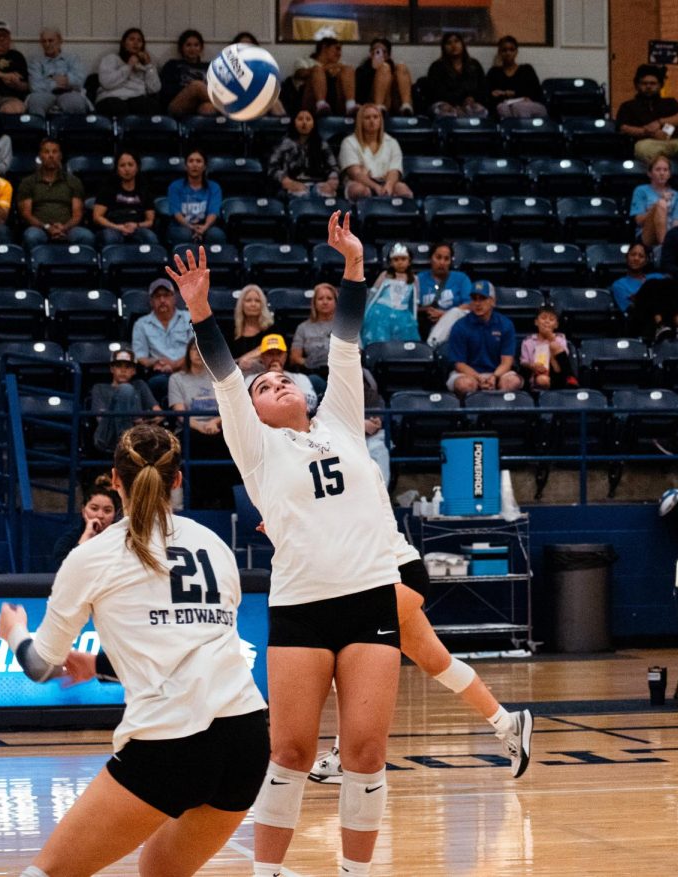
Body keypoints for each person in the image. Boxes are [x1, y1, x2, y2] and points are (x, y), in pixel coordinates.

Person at [167, 214, 402, 877]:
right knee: (291, 750)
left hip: (369, 599)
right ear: (258, 411)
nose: (277, 383)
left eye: (280, 379)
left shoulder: (341, 417)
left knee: (363, 750)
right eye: (263, 387)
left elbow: (347, 338)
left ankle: (355, 873)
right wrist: (199, 312)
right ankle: (266, 872)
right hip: (301, 607)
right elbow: (222, 377)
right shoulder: (258, 447)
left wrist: (354, 264)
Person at [0, 423, 268, 877]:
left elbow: (40, 666)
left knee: (47, 873)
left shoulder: (92, 556)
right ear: (177, 480)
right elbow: (191, 647)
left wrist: (14, 634)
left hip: (170, 743)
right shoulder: (215, 545)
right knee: (162, 870)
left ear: (115, 479)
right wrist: (101, 665)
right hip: (245, 739)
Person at [309, 463, 533, 783]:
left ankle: (346, 757)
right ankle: (507, 723)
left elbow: (342, 522)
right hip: (383, 574)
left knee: (348, 650)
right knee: (437, 661)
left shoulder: (350, 462)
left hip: (389, 574)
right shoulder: (327, 461)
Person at [169, 338, 234, 508]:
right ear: (188, 354)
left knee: (232, 442)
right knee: (192, 443)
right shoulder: (177, 378)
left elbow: (230, 405)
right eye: (194, 349)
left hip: (218, 425)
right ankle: (196, 501)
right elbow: (180, 412)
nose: (198, 353)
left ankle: (223, 501)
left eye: (201, 349)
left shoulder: (219, 376)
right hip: (191, 428)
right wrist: (201, 426)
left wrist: (215, 422)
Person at [615, 64, 678, 165]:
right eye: (644, 83)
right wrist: (648, 132)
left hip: (676, 141)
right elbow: (623, 127)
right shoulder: (628, 106)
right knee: (642, 149)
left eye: (653, 83)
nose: (648, 86)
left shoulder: (670, 102)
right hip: (648, 143)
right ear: (637, 85)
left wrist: (659, 123)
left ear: (660, 85)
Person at [446, 280, 523, 397]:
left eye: (482, 298)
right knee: (464, 384)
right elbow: (459, 364)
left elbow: (507, 362)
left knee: (512, 382)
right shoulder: (459, 326)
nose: (477, 303)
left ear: (492, 301)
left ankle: (501, 412)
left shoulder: (505, 324)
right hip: (467, 373)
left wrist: (494, 377)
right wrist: (478, 377)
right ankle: (469, 415)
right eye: (474, 299)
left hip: (498, 373)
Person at [17, 138, 95, 250]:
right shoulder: (28, 182)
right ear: (40, 156)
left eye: (54, 152)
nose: (51, 155)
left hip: (68, 228)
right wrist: (47, 227)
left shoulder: (73, 181)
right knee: (30, 236)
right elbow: (26, 214)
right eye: (46, 152)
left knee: (86, 236)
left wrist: (63, 228)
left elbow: (77, 214)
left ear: (60, 156)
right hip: (39, 228)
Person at [610, 241, 678, 342]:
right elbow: (630, 308)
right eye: (633, 254)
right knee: (651, 285)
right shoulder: (619, 285)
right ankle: (660, 325)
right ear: (627, 257)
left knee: (674, 283)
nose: (636, 258)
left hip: (668, 315)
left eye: (641, 256)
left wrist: (638, 296)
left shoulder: (657, 276)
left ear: (646, 260)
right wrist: (645, 295)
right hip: (642, 321)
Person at [131, 278, 194, 404]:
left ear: (174, 298)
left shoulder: (189, 318)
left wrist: (175, 365)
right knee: (159, 383)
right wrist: (156, 361)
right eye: (157, 296)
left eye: (166, 295)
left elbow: (197, 347)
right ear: (151, 301)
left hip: (189, 369)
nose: (162, 300)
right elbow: (140, 357)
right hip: (160, 373)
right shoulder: (141, 324)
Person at [91, 348, 161, 453]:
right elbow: (100, 418)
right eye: (119, 366)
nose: (123, 370)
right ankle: (126, 443)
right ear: (112, 369)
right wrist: (134, 418)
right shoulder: (99, 388)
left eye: (128, 367)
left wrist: (145, 421)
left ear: (134, 371)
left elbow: (159, 414)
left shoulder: (140, 385)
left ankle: (128, 441)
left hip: (137, 432)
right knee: (126, 389)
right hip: (107, 435)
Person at [338, 104, 412, 201]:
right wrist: (375, 187)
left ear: (381, 120)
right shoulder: (349, 142)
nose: (372, 121)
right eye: (367, 118)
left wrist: (389, 185)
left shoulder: (392, 142)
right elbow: (355, 174)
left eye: (375, 117)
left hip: (385, 181)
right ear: (360, 121)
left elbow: (394, 171)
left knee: (403, 190)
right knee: (359, 190)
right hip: (360, 182)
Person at [50, 475, 120, 568]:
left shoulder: (122, 541)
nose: (100, 515)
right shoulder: (66, 542)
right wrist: (87, 535)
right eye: (94, 509)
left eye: (107, 510)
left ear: (114, 514)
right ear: (83, 510)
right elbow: (67, 571)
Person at [267, 110, 341, 198]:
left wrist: (332, 181)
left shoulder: (321, 144)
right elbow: (272, 167)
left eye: (308, 119)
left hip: (318, 183)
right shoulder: (284, 143)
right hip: (292, 182)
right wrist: (286, 181)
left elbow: (333, 167)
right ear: (294, 122)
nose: (304, 122)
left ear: (313, 124)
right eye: (300, 119)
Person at [92, 150, 158, 248]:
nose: (127, 169)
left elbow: (150, 220)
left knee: (150, 237)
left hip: (136, 228)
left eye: (130, 165)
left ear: (137, 167)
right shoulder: (108, 189)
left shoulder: (144, 190)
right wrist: (118, 227)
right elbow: (97, 217)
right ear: (117, 169)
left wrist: (137, 225)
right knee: (110, 238)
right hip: (113, 227)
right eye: (122, 165)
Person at [361, 244, 419, 349]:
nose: (400, 262)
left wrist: (414, 319)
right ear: (390, 262)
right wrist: (366, 313)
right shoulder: (385, 275)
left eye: (403, 259)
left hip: (403, 315)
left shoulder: (414, 279)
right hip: (381, 313)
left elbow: (414, 302)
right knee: (380, 339)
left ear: (409, 261)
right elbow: (373, 295)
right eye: (396, 260)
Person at [166, 148, 226, 248]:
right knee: (184, 235)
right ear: (185, 166)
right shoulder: (175, 186)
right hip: (180, 226)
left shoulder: (214, 187)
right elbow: (176, 213)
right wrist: (191, 227)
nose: (194, 165)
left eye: (198, 161)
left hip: (206, 225)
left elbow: (213, 212)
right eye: (191, 161)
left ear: (205, 166)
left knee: (217, 235)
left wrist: (204, 228)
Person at [95, 28, 161, 118]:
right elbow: (106, 83)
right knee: (117, 107)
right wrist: (128, 67)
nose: (136, 43)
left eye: (139, 40)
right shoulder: (111, 58)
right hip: (112, 97)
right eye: (132, 39)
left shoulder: (145, 65)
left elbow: (154, 89)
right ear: (124, 44)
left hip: (137, 98)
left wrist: (149, 65)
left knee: (150, 106)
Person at [26, 28, 91, 115]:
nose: (47, 44)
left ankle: (71, 128)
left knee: (74, 102)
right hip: (44, 95)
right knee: (35, 102)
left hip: (69, 93)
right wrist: (55, 84)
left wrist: (68, 80)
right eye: (44, 41)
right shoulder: (36, 61)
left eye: (51, 40)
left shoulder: (72, 58)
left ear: (60, 41)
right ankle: (38, 128)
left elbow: (80, 80)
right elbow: (35, 86)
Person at [425, 32, 490, 118]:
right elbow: (434, 92)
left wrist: (473, 98)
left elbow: (483, 88)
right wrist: (455, 104)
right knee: (443, 111)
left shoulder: (474, 65)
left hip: (469, 103)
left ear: (462, 44)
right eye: (449, 43)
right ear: (444, 47)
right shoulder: (437, 67)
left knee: (481, 112)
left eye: (456, 41)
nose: (453, 45)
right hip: (445, 103)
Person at [416, 241, 472, 338]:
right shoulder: (419, 279)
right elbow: (411, 307)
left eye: (446, 259)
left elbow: (470, 305)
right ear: (431, 259)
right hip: (427, 325)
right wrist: (426, 310)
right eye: (438, 257)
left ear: (451, 261)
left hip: (456, 326)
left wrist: (446, 315)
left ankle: (432, 345)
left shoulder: (461, 278)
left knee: (456, 313)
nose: (442, 262)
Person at [252, 334, 319, 414]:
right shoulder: (252, 380)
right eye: (270, 354)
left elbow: (311, 405)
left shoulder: (301, 378)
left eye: (279, 353)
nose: (275, 358)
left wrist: (280, 377)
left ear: (285, 356)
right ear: (262, 357)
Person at [485, 35, 547, 119]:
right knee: (502, 108)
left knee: (519, 107)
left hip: (529, 106)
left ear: (516, 51)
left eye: (511, 49)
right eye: (504, 50)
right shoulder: (494, 72)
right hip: (505, 107)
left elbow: (535, 92)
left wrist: (508, 93)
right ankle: (510, 130)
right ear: (499, 52)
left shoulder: (526, 69)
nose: (508, 53)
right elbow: (488, 95)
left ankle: (524, 130)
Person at [295, 36, 357, 117]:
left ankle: (350, 106)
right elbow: (299, 74)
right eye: (337, 49)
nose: (339, 53)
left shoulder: (341, 66)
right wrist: (325, 68)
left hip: (338, 103)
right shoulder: (305, 61)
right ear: (324, 47)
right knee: (317, 70)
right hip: (311, 104)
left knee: (348, 69)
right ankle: (321, 106)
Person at [519, 304, 576, 390]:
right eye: (543, 318)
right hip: (538, 375)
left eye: (551, 319)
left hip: (558, 373)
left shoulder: (560, 338)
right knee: (543, 380)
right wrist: (532, 366)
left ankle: (570, 378)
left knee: (553, 345)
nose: (547, 321)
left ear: (556, 325)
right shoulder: (528, 341)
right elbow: (523, 362)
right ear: (536, 322)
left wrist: (550, 338)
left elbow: (564, 358)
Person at [631, 154, 678, 247]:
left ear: (669, 174)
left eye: (665, 170)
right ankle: (665, 247)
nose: (662, 173)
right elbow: (639, 221)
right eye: (658, 169)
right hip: (647, 233)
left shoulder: (675, 195)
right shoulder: (641, 191)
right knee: (662, 204)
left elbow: (676, 222)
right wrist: (657, 205)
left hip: (670, 232)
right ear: (649, 173)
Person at [160, 29, 215, 117]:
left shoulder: (208, 66)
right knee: (196, 85)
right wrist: (190, 89)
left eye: (196, 45)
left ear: (201, 48)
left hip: (202, 102)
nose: (192, 49)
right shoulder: (172, 65)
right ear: (182, 48)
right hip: (178, 104)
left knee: (207, 108)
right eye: (188, 45)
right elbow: (166, 91)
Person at [354, 38, 414, 117]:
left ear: (388, 55)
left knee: (401, 66)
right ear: (370, 53)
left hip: (396, 103)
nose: (380, 54)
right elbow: (360, 94)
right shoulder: (362, 69)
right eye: (376, 51)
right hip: (373, 103)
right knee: (384, 68)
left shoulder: (395, 70)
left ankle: (406, 106)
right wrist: (373, 70)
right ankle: (378, 108)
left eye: (383, 51)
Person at [292, 283, 339, 381]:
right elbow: (295, 357)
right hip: (313, 373)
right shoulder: (303, 327)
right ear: (314, 303)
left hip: (340, 371)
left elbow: (357, 352)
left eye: (329, 298)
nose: (325, 302)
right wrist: (310, 363)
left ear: (336, 302)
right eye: (320, 299)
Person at [230, 284, 276, 370]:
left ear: (263, 305)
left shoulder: (272, 328)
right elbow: (224, 360)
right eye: (248, 300)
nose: (253, 304)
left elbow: (272, 349)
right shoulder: (231, 329)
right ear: (242, 305)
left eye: (257, 301)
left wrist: (244, 359)